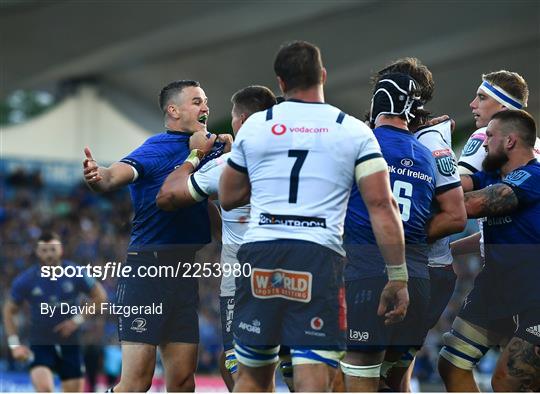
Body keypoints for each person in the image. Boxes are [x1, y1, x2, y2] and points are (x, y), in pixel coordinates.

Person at [219, 40, 408, 392]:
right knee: (313, 376)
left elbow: (228, 197)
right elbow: (382, 206)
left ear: (280, 82)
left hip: (260, 251)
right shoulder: (352, 130)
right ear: (322, 75)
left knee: (253, 377)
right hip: (317, 255)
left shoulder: (257, 126)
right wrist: (398, 277)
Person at [82, 79, 226, 392]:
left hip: (185, 273)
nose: (206, 107)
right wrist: (98, 176)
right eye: (197, 101)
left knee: (184, 382)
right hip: (147, 271)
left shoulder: (211, 146)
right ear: (173, 110)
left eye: (205, 101)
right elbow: (113, 176)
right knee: (136, 382)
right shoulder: (156, 148)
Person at [341, 71, 466, 392]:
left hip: (369, 275)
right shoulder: (427, 154)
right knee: (395, 382)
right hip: (418, 282)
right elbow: (453, 213)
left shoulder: (361, 142)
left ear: (375, 105)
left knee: (358, 370)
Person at [156, 84, 277, 391]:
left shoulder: (228, 166)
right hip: (301, 267)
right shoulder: (295, 159)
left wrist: (196, 155)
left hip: (243, 281)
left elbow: (167, 196)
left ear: (243, 120)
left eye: (235, 118)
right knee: (295, 365)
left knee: (240, 364)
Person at [439, 110, 540, 392]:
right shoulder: (491, 176)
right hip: (495, 290)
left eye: (490, 136)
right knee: (451, 363)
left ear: (509, 141)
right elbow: (455, 187)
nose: (483, 143)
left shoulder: (533, 176)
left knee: (506, 380)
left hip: (535, 297)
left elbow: (474, 204)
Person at [3, 231, 107, 392]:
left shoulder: (75, 272)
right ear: (37, 252)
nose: (49, 254)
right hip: (41, 342)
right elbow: (9, 310)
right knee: (45, 390)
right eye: (44, 250)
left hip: (70, 341)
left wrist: (76, 321)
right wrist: (15, 344)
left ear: (61, 250)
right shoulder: (27, 279)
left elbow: (100, 297)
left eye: (53, 249)